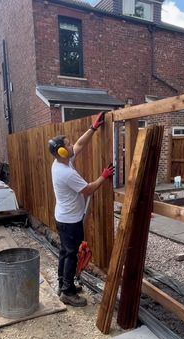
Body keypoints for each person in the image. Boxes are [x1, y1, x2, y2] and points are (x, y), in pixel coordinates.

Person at [48, 112, 114, 307]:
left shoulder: (61, 161)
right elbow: (88, 189)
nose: (71, 146)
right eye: (67, 145)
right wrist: (104, 176)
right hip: (70, 221)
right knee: (71, 254)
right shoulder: (66, 173)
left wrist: (93, 128)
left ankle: (63, 285)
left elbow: (79, 144)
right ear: (61, 151)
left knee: (65, 252)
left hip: (63, 217)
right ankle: (67, 292)